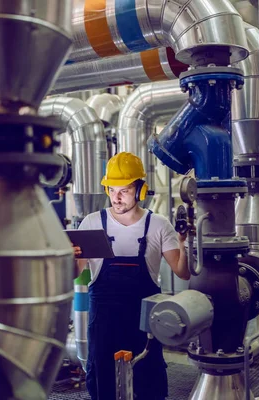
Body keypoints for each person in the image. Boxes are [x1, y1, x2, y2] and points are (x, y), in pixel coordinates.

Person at [74, 152, 190, 400]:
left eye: (124, 190)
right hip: (103, 318)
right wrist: (69, 258)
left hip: (144, 318)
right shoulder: (92, 222)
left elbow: (182, 271)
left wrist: (183, 243)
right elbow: (76, 274)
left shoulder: (158, 224)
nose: (116, 197)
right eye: (112, 189)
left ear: (139, 190)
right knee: (102, 377)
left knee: (148, 376)